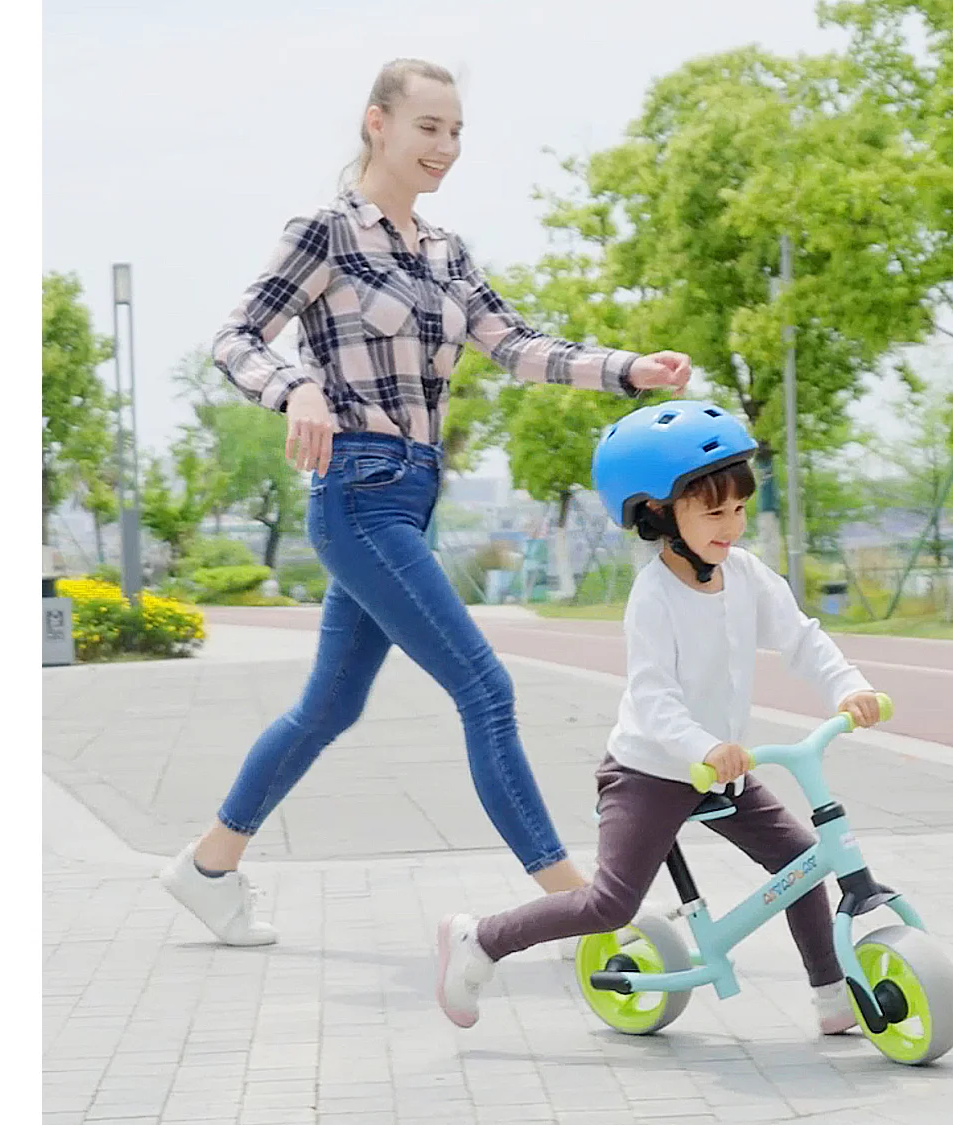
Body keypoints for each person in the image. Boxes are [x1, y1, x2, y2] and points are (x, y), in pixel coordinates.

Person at [157, 58, 692, 946]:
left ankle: (208, 866)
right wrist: (294, 387)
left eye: (456, 132)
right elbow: (235, 335)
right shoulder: (326, 233)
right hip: (358, 492)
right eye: (428, 128)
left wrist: (624, 369)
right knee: (486, 688)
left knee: (330, 706)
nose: (445, 147)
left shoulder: (444, 251)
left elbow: (514, 343)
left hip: (410, 496)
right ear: (378, 125)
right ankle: (583, 910)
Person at [435, 401, 884, 1035]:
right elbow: (654, 699)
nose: (730, 526)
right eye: (712, 511)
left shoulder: (747, 574)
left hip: (721, 767)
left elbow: (802, 639)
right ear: (657, 514)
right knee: (610, 903)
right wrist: (702, 746)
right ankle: (480, 939)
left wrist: (850, 686)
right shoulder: (653, 597)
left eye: (737, 509)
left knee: (802, 864)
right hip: (649, 771)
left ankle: (833, 995)